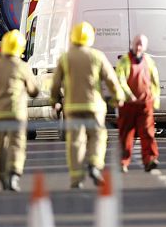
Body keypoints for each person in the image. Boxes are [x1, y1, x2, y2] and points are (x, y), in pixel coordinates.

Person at [51, 22, 125, 189]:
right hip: (94, 106)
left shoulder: (65, 58)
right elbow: (111, 79)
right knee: (98, 136)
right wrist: (118, 96)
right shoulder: (97, 56)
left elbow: (55, 83)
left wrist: (54, 101)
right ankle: (94, 164)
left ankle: (77, 178)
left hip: (72, 107)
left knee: (75, 141)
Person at [0, 30, 38, 192]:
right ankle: (14, 174)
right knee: (17, 145)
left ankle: (1, 175)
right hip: (17, 114)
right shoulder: (23, 67)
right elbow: (34, 91)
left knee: (0, 147)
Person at [116, 34, 160, 173]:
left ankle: (150, 160)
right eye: (137, 44)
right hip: (128, 105)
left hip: (145, 104)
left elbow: (155, 81)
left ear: (145, 47)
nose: (139, 47)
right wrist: (129, 95)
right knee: (126, 134)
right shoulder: (124, 61)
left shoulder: (149, 61)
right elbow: (120, 80)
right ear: (132, 45)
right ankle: (123, 162)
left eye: (141, 44)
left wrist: (155, 100)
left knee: (147, 132)